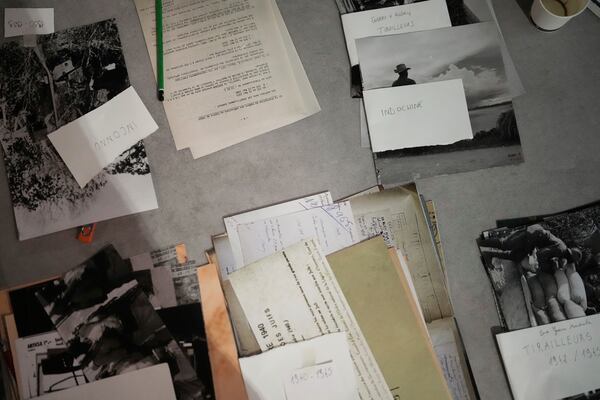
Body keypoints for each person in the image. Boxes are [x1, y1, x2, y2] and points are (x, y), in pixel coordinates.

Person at [479, 224, 582, 273]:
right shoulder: (560, 250)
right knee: (505, 244)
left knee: (516, 256)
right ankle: (480, 241)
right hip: (531, 234)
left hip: (532, 241)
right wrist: (547, 268)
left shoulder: (561, 250)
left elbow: (545, 252)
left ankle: (489, 254)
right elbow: (541, 254)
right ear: (568, 257)